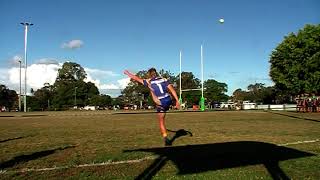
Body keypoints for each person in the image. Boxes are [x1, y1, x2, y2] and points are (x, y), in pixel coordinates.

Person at [124, 68, 180, 146]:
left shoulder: (148, 81)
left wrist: (127, 73)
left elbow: (136, 78)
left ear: (149, 74)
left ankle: (165, 138)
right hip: (168, 100)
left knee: (161, 121)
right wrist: (177, 101)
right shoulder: (164, 79)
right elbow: (172, 90)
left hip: (159, 102)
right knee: (166, 95)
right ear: (156, 73)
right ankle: (168, 103)